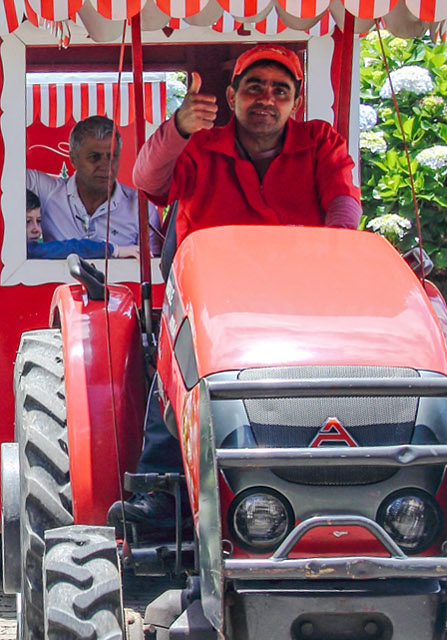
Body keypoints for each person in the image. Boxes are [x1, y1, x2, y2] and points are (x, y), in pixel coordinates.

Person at [118, 44, 364, 533]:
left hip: (300, 297)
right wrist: (179, 127)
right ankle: (159, 490)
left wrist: (335, 259)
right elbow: (146, 178)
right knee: (177, 364)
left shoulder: (321, 142)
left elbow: (344, 204)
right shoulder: (199, 143)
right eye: (254, 87)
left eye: (280, 90)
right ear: (231, 96)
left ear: (295, 102)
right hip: (208, 302)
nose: (266, 99)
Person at [24, 116, 161, 254]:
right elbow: (6, 172)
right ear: (73, 159)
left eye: (112, 156)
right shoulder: (48, 192)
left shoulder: (141, 209)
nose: (106, 166)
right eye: (94, 157)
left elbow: (154, 266)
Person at [23, 191, 133, 259]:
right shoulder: (29, 250)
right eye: (28, 222)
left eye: (38, 221)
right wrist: (114, 250)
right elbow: (72, 247)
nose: (36, 229)